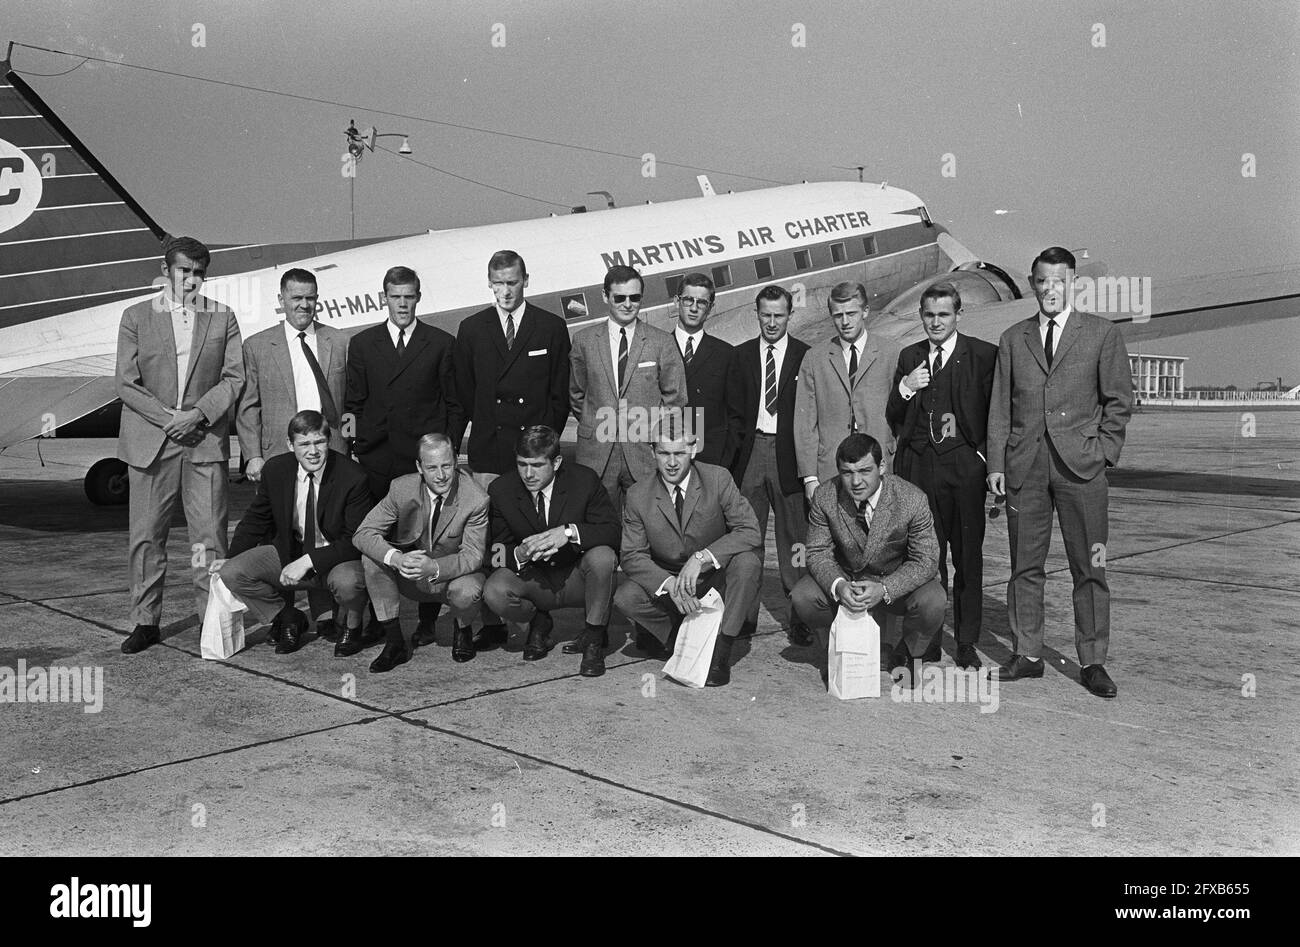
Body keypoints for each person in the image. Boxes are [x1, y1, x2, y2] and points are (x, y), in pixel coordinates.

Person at [987, 246, 1133, 698]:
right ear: (1032, 285)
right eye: (1043, 281)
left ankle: (1092, 661)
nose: (1051, 289)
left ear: (1074, 284)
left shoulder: (1101, 334)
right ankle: (1028, 654)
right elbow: (999, 409)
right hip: (1025, 467)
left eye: (1060, 281)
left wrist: (1104, 451)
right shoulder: (1014, 338)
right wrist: (996, 464)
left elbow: (1119, 401)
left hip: (1081, 469)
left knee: (1088, 568)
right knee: (1024, 568)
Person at [116, 235, 244, 653]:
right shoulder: (135, 316)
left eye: (199, 273)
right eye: (184, 270)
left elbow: (234, 379)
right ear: (167, 268)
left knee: (209, 540)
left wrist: (198, 414)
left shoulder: (222, 318)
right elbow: (125, 383)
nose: (191, 280)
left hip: (204, 440)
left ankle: (213, 623)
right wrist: (169, 420)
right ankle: (144, 621)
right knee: (146, 537)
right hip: (151, 441)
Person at [345, 265, 463, 640]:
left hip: (422, 463)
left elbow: (454, 405)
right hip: (378, 459)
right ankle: (380, 621)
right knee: (375, 541)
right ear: (384, 299)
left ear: (418, 298)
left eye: (408, 297)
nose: (402, 304)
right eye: (395, 297)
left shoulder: (440, 342)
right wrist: (355, 445)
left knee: (427, 539)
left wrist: (446, 453)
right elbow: (353, 404)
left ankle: (427, 621)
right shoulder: (363, 344)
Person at [885, 282, 996, 670]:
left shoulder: (982, 355)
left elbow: (996, 413)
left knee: (967, 557)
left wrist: (983, 458)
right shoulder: (909, 356)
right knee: (925, 558)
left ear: (958, 315)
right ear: (921, 316)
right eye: (929, 315)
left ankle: (966, 641)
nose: (936, 322)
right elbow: (894, 416)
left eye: (944, 314)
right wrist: (904, 387)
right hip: (919, 468)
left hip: (963, 468)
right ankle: (926, 638)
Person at [613, 423, 763, 687]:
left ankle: (720, 648)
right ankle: (674, 638)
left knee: (748, 562)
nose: (671, 463)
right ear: (652, 452)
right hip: (670, 579)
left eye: (679, 453)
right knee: (626, 596)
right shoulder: (638, 495)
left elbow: (750, 530)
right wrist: (669, 585)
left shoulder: (717, 478)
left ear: (693, 450)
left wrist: (702, 557)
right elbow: (631, 555)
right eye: (664, 453)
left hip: (712, 577)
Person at [791, 433, 944, 684]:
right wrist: (839, 586)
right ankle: (837, 652)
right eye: (847, 472)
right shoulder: (825, 496)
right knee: (803, 596)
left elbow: (926, 560)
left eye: (865, 470)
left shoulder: (912, 498)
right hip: (848, 580)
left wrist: (885, 588)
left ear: (882, 467)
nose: (856, 481)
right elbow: (817, 552)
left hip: (895, 583)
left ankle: (908, 653)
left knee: (934, 600)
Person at [218, 411, 372, 653]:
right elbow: (256, 520)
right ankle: (288, 616)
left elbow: (356, 539)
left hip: (335, 556)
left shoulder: (353, 477)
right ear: (291, 445)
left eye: (319, 442)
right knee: (232, 572)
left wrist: (309, 561)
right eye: (304, 444)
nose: (313, 451)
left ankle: (351, 628)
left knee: (349, 583)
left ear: (328, 441)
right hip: (291, 550)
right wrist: (231, 555)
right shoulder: (277, 470)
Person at [481, 426, 620, 676]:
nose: (528, 473)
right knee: (494, 590)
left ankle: (594, 638)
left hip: (576, 576)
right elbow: (494, 552)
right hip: (534, 578)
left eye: (536, 465)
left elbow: (612, 531)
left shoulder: (584, 480)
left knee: (603, 557)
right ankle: (538, 622)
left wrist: (568, 533)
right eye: (522, 464)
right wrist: (520, 553)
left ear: (556, 462)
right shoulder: (502, 489)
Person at [353, 434, 495, 672]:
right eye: (432, 468)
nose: (441, 476)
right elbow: (363, 533)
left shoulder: (476, 499)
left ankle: (463, 630)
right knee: (372, 559)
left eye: (447, 466)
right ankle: (394, 641)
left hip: (452, 576)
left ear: (456, 462)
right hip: (413, 573)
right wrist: (396, 558)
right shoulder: (402, 488)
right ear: (419, 467)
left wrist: (434, 568)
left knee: (467, 590)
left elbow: (473, 556)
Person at [569, 265, 687, 513]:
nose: (627, 304)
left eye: (634, 298)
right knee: (601, 525)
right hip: (598, 452)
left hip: (643, 451)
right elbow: (578, 395)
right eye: (619, 298)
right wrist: (602, 422)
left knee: (648, 522)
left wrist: (650, 432)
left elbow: (675, 398)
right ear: (605, 297)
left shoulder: (661, 341)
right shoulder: (584, 341)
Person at [451, 251, 571, 476]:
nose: (505, 291)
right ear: (489, 282)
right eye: (498, 283)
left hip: (535, 453)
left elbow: (560, 395)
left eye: (512, 283)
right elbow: (464, 394)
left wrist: (545, 442)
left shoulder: (550, 327)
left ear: (526, 280)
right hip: (489, 452)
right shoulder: (471, 329)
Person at [237, 269, 349, 480]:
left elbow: (351, 403)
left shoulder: (340, 341)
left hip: (332, 452)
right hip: (278, 453)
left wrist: (350, 442)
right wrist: (253, 455)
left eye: (310, 298)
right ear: (281, 300)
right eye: (296, 298)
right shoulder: (256, 346)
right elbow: (248, 408)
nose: (304, 305)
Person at [794, 281, 898, 501]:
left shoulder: (892, 352)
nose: (845, 321)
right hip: (832, 469)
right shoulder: (815, 357)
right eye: (838, 315)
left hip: (882, 467)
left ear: (866, 312)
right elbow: (805, 423)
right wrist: (809, 478)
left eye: (851, 313)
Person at [672, 273, 735, 468]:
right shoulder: (658, 349)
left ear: (710, 308)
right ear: (676, 302)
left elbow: (735, 416)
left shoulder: (726, 354)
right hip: (669, 458)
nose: (693, 308)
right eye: (688, 300)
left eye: (701, 302)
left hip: (712, 460)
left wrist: (724, 462)